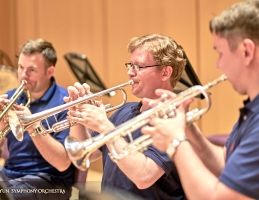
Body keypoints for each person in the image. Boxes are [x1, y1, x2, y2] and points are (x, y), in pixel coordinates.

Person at [141, 1, 259, 199]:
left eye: (221, 53)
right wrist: (187, 127)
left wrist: (176, 141)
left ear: (247, 52)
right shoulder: (255, 108)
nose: (218, 65)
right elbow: (226, 163)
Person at [64, 34, 187, 200]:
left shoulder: (174, 121)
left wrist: (105, 126)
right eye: (130, 65)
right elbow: (85, 154)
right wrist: (77, 114)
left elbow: (144, 177)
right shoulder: (125, 110)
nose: (130, 73)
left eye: (139, 67)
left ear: (165, 72)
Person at [0, 38, 75, 200]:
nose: (23, 75)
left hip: (50, 181)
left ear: (49, 72)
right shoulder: (11, 96)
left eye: (32, 70)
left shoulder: (65, 103)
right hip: (10, 173)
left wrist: (33, 126)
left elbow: (63, 163)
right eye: (21, 67)